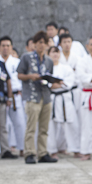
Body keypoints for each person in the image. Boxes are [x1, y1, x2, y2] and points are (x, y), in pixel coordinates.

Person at [17, 31, 57, 164]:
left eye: (44, 43)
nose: (42, 45)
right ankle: (29, 152)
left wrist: (55, 81)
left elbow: (49, 76)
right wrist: (30, 76)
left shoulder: (49, 60)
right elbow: (19, 75)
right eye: (39, 42)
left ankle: (42, 152)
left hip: (45, 95)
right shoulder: (26, 57)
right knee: (31, 126)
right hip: (32, 95)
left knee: (44, 128)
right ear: (34, 44)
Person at [46, 46, 80, 157]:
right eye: (52, 52)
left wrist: (56, 84)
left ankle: (75, 149)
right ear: (48, 54)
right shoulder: (46, 68)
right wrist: (53, 85)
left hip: (65, 98)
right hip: (52, 99)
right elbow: (45, 82)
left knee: (71, 123)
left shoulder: (66, 68)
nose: (55, 55)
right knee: (50, 125)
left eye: (57, 52)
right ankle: (52, 150)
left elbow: (69, 82)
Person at [0, 36, 24, 158]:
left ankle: (23, 148)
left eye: (8, 46)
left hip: (16, 95)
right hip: (2, 97)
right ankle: (4, 149)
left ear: (11, 47)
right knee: (2, 125)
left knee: (19, 123)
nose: (5, 48)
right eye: (3, 46)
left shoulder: (17, 62)